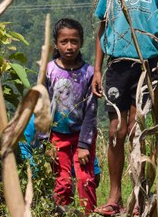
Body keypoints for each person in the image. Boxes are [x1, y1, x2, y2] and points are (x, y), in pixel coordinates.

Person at [91, 0, 158, 216]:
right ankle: (114, 195)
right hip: (117, 65)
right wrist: (98, 70)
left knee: (138, 129)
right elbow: (102, 27)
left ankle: (138, 197)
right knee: (117, 130)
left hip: (147, 66)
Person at [44, 17, 98, 214]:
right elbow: (43, 107)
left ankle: (89, 213)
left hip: (81, 136)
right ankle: (62, 212)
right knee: (63, 182)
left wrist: (84, 145)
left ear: (81, 42)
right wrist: (46, 142)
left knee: (85, 180)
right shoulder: (49, 70)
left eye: (74, 41)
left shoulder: (89, 73)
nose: (69, 47)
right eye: (64, 42)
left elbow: (91, 112)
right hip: (57, 137)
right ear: (56, 44)